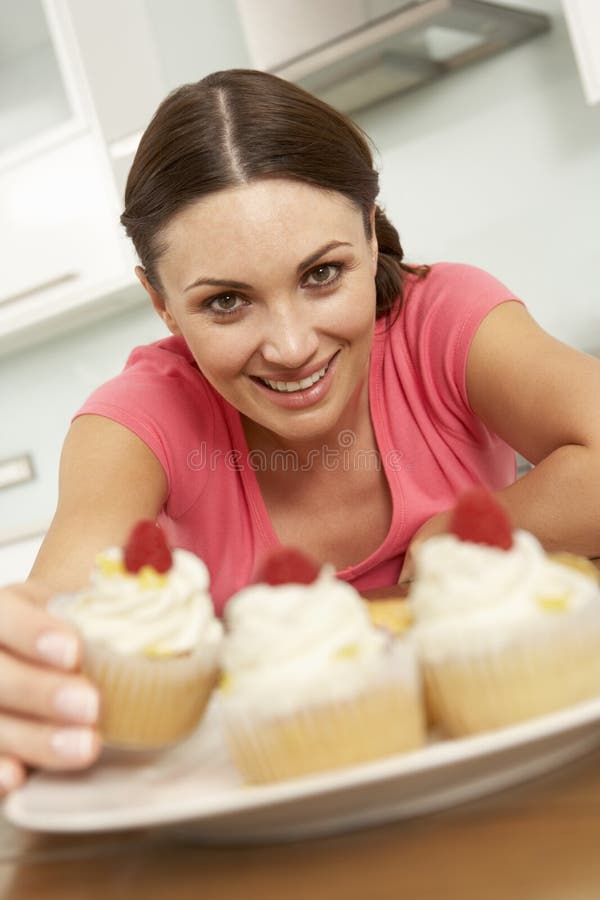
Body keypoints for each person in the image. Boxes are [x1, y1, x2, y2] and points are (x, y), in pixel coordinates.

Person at [2, 68, 600, 797]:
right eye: (226, 301)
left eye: (322, 274)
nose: (290, 346)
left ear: (366, 228)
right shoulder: (136, 421)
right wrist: (28, 655)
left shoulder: (443, 319)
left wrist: (451, 537)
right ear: (160, 303)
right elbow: (66, 600)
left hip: (523, 786)